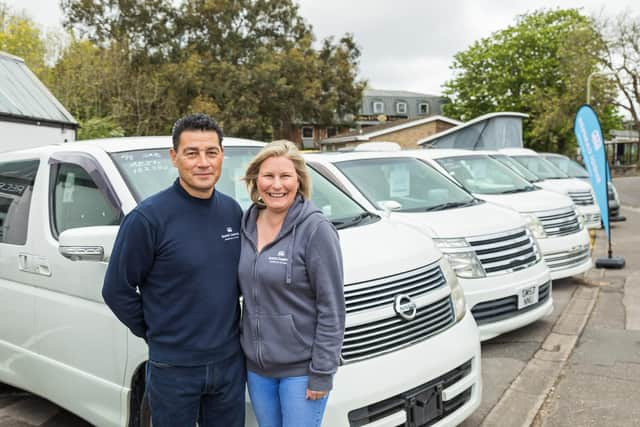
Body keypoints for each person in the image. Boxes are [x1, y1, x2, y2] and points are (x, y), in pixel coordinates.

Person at [102, 113, 245, 427]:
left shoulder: (232, 211)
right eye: (192, 153)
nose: (203, 162)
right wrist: (158, 332)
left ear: (222, 156)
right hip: (174, 368)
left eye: (211, 152)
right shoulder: (148, 218)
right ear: (174, 157)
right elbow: (116, 289)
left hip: (229, 364)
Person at [239, 140, 345, 427]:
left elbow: (332, 308)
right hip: (258, 370)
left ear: (299, 180)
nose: (276, 185)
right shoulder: (246, 224)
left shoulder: (316, 229)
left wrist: (322, 371)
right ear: (255, 179)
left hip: (301, 370)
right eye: (268, 176)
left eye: (285, 176)